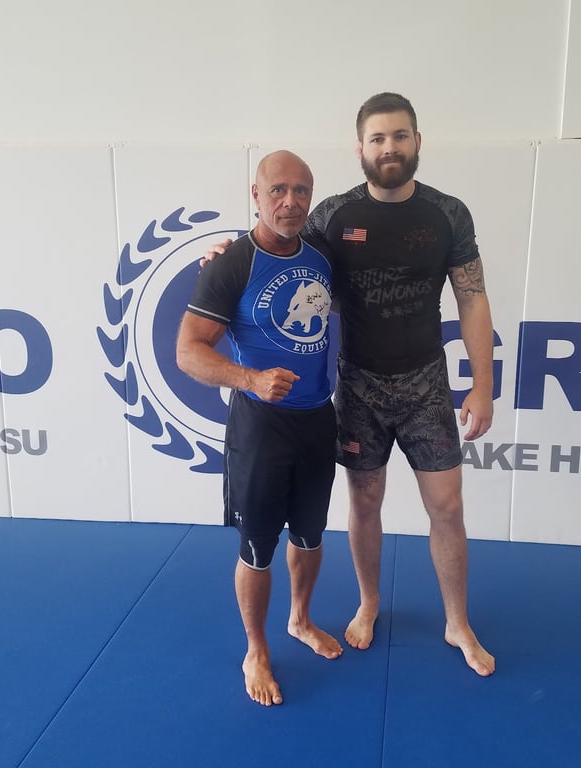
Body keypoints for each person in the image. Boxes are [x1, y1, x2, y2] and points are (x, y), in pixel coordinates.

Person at [207, 93, 496, 677]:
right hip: (359, 384)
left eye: (400, 136)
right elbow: (278, 245)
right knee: (364, 503)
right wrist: (227, 252)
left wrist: (483, 384)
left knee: (448, 506)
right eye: (378, 138)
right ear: (360, 148)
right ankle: (368, 603)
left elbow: (472, 298)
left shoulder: (448, 213)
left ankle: (457, 622)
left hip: (426, 384)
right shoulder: (333, 215)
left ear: (418, 142)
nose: (389, 147)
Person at [177, 150, 342, 707]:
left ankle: (300, 620)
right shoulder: (230, 264)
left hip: (317, 419)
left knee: (311, 535)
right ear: (256, 194)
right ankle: (256, 650)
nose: (290, 201)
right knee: (257, 547)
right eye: (277, 190)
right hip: (260, 427)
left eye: (301, 191)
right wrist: (249, 378)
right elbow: (187, 351)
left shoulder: (321, 258)